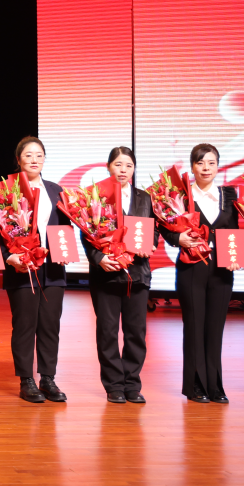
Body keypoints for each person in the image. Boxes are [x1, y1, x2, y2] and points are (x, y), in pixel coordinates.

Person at [158, 143, 237, 403]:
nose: (206, 168)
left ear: (218, 166)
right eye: (200, 163)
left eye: (211, 163)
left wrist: (236, 257)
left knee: (215, 327)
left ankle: (215, 386)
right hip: (191, 268)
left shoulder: (229, 195)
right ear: (192, 167)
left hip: (222, 269)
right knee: (194, 326)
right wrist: (176, 239)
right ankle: (195, 386)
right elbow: (164, 226)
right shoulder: (180, 197)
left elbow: (236, 231)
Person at [82, 147, 154, 404]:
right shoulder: (96, 197)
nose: (123, 170)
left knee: (136, 332)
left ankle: (132, 384)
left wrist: (151, 243)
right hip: (107, 273)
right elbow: (86, 233)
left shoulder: (145, 198)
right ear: (108, 166)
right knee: (108, 331)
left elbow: (153, 229)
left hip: (138, 274)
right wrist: (98, 258)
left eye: (128, 165)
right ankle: (113, 385)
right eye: (118, 164)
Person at [2, 136, 70, 404]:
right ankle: (26, 380)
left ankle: (48, 378)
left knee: (50, 324)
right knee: (24, 325)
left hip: (53, 267)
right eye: (28, 155)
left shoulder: (56, 190)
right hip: (23, 267)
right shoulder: (5, 191)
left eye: (39, 155)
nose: (34, 160)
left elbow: (65, 227)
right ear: (18, 159)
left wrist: (65, 251)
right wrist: (9, 257)